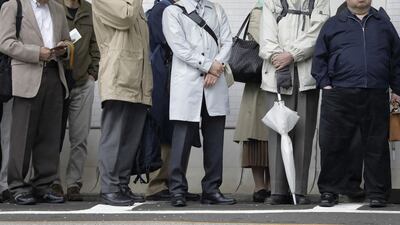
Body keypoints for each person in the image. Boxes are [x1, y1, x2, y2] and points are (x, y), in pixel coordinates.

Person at [312, 0, 400, 208]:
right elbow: (319, 57)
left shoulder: (383, 23)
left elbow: (396, 58)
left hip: (376, 91)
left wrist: (397, 89)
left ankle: (377, 192)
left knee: (376, 144)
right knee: (333, 144)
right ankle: (329, 192)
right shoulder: (333, 23)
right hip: (339, 93)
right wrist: (325, 84)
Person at [163, 0, 235, 207]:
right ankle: (176, 189)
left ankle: (212, 189)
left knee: (215, 139)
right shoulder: (172, 12)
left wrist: (217, 67)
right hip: (188, 83)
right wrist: (209, 66)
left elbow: (227, 42)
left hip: (214, 82)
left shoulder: (217, 9)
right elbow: (179, 47)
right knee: (182, 139)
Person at [0, 0, 71, 205]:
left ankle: (44, 185)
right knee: (22, 135)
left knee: (50, 135)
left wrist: (64, 49)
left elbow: (67, 40)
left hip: (54, 74)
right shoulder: (13, 6)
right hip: (26, 76)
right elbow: (5, 42)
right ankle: (17, 186)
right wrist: (36, 53)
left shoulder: (58, 9)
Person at [259, 0, 330, 204]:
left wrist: (292, 54)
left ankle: (298, 189)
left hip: (306, 74)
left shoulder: (319, 1)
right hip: (276, 73)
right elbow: (266, 34)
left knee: (304, 133)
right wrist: (277, 56)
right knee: (277, 132)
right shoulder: (271, 1)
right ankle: (278, 190)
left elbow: (319, 32)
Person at [92, 0, 153, 206]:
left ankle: (121, 184)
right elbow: (125, 18)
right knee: (114, 135)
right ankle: (109, 187)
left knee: (130, 137)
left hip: (139, 77)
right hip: (118, 75)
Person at [145, 0, 200, 202]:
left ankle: (174, 183)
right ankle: (159, 184)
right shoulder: (163, 9)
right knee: (165, 129)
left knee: (177, 129)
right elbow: (172, 41)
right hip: (165, 76)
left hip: (171, 75)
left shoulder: (173, 9)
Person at [51, 0, 99, 202]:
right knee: (53, 135)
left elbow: (96, 43)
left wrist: (93, 72)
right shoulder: (53, 7)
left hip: (82, 82)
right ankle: (52, 181)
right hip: (57, 80)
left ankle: (73, 183)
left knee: (79, 137)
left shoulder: (89, 9)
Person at [233, 1, 270, 203]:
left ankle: (274, 185)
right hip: (258, 80)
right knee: (255, 134)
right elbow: (259, 41)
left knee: (276, 132)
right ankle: (260, 186)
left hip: (279, 76)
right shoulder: (259, 10)